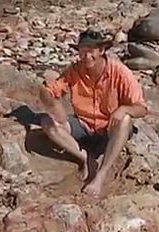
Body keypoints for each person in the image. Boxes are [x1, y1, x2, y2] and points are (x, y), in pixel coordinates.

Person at [37, 28, 148, 198]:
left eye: (91, 52)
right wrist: (53, 105)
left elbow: (141, 108)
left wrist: (123, 109)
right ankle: (84, 158)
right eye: (82, 52)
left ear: (102, 51)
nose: (86, 57)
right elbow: (49, 91)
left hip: (109, 128)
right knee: (46, 121)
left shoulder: (120, 72)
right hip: (84, 125)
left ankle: (101, 175)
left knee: (125, 120)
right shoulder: (74, 71)